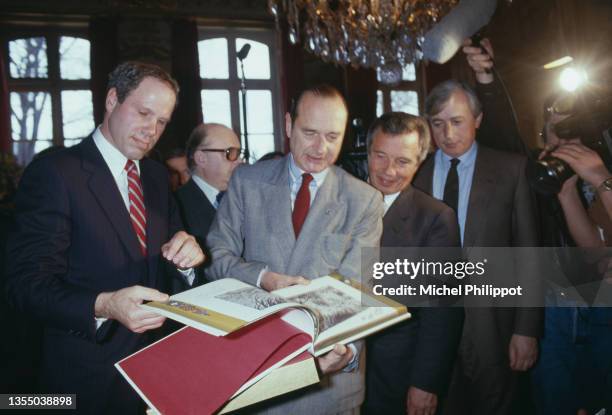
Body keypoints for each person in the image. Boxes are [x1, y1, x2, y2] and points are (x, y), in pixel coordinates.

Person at [5, 61, 204, 415]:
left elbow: (166, 268)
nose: (151, 130)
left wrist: (187, 259)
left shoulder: (157, 177)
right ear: (112, 99)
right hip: (79, 384)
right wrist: (104, 305)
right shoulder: (56, 172)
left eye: (161, 121)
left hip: (153, 373)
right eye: (144, 113)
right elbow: (24, 285)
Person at [206, 84, 384, 414]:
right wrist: (262, 277)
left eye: (333, 136)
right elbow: (217, 258)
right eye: (310, 133)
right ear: (289, 125)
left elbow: (359, 291)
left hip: (329, 387)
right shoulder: (247, 181)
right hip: (255, 377)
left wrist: (346, 353)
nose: (321, 147)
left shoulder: (364, 200)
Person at [412, 80, 541, 415]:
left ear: (478, 119)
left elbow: (529, 253)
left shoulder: (511, 169)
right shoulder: (415, 172)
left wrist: (526, 329)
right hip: (431, 325)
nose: (447, 134)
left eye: (457, 122)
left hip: (494, 325)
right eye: (437, 124)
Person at [363, 112, 463, 415]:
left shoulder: (435, 217)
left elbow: (443, 310)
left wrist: (426, 383)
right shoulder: (339, 200)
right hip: (336, 368)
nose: (388, 171)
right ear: (367, 152)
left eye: (403, 161)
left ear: (419, 163)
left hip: (396, 373)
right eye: (380, 156)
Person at [174, 123, 243, 286]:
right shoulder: (176, 204)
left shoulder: (243, 199)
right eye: (230, 153)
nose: (239, 161)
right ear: (201, 158)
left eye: (240, 154)